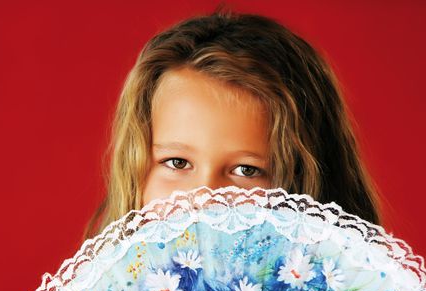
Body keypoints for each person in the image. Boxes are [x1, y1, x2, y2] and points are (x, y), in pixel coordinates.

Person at [82, 7, 382, 242]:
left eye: (246, 170)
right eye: (177, 162)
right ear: (135, 171)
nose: (204, 200)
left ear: (308, 188)